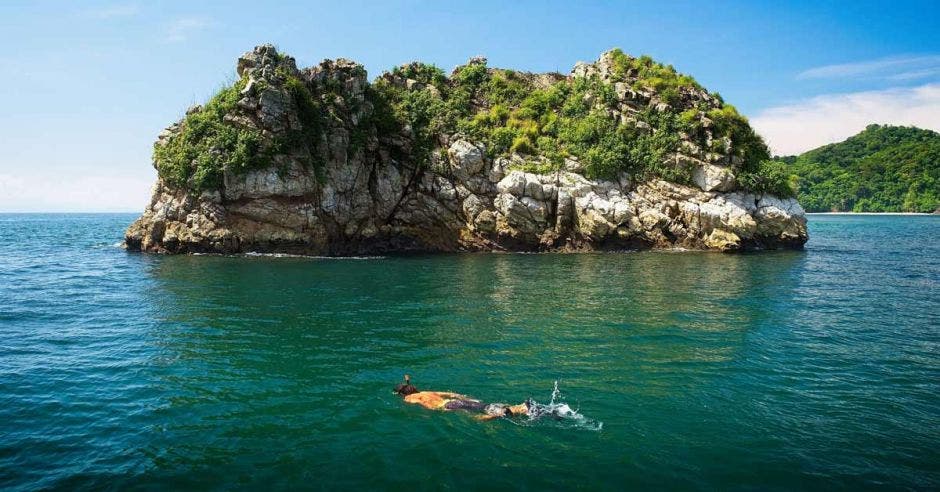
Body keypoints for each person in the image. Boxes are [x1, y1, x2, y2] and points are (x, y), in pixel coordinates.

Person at [393, 375, 529, 420]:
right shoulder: (426, 392)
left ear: (402, 394)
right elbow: (449, 393)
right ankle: (519, 408)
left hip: (447, 407)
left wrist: (401, 395)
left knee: (478, 418)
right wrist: (408, 383)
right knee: (480, 406)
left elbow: (410, 399)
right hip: (452, 401)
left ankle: (497, 414)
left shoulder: (408, 398)